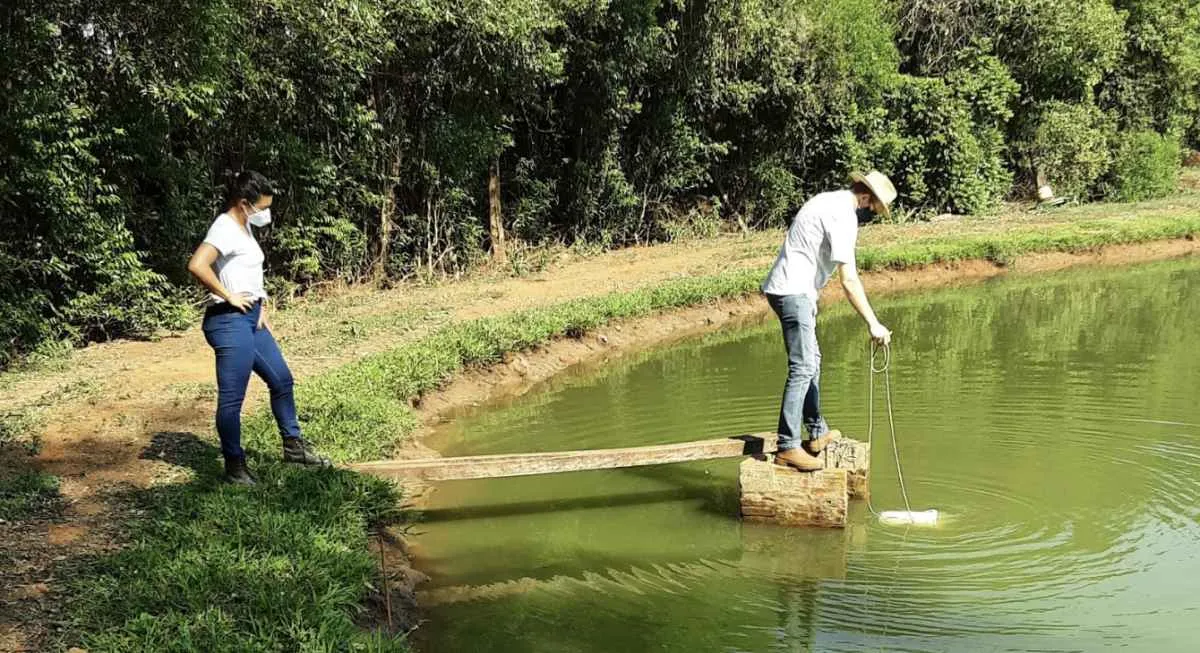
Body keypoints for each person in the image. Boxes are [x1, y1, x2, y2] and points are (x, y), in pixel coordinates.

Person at [187, 170, 329, 485]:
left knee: (282, 380)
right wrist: (229, 296)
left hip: (251, 318)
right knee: (232, 399)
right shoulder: (224, 228)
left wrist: (260, 304)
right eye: (261, 207)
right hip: (228, 321)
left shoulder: (245, 225)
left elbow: (247, 271)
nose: (265, 213)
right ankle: (235, 468)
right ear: (243, 203)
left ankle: (294, 448)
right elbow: (197, 264)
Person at [761, 170, 896, 472]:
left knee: (813, 361)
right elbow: (849, 280)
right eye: (872, 208)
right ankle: (788, 445)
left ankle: (817, 432)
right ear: (865, 197)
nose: (869, 213)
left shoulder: (828, 199)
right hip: (792, 292)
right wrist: (873, 323)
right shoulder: (843, 216)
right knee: (803, 366)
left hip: (794, 290)